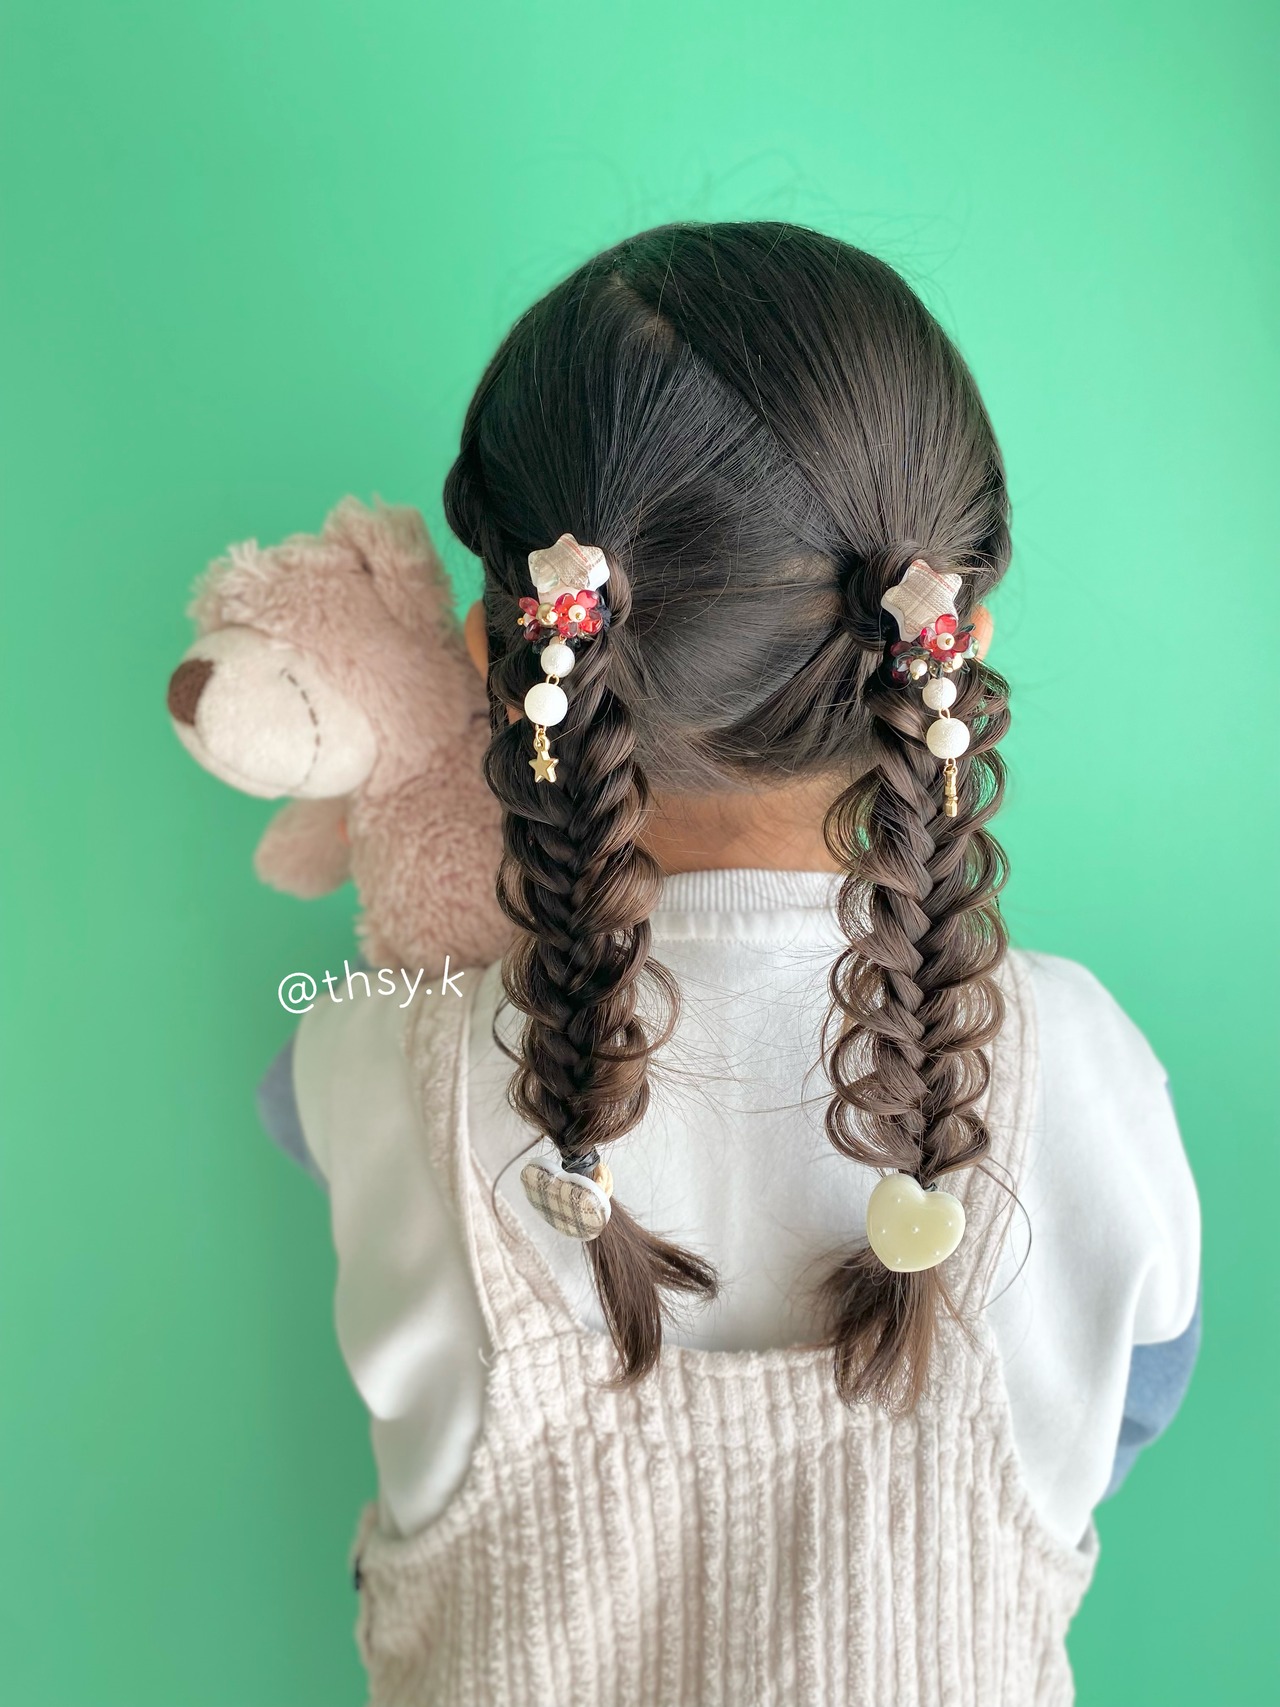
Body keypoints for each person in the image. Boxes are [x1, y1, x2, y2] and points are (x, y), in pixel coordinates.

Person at [271, 222, 1201, 1707]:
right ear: (951, 646)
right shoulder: (1085, 1064)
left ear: (498, 658)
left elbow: (301, 1094)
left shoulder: (375, 1059)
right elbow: (1136, 1398)